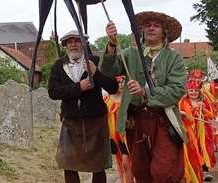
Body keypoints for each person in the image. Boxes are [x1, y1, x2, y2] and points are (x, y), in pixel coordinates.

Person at [101, 11, 187, 183]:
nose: (151, 28)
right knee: (141, 172)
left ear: (164, 32)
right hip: (137, 121)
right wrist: (111, 43)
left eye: (156, 25)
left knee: (164, 172)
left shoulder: (173, 57)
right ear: (141, 30)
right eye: (147, 25)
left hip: (164, 120)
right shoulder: (131, 54)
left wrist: (145, 93)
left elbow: (177, 89)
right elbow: (108, 71)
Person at [48, 30, 118, 183]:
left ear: (83, 43)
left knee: (98, 165)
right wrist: (78, 87)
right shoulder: (59, 65)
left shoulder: (96, 60)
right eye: (69, 42)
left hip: (96, 121)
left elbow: (113, 87)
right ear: (65, 45)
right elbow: (53, 92)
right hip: (71, 121)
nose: (73, 44)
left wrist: (95, 72)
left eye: (77, 41)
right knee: (69, 164)